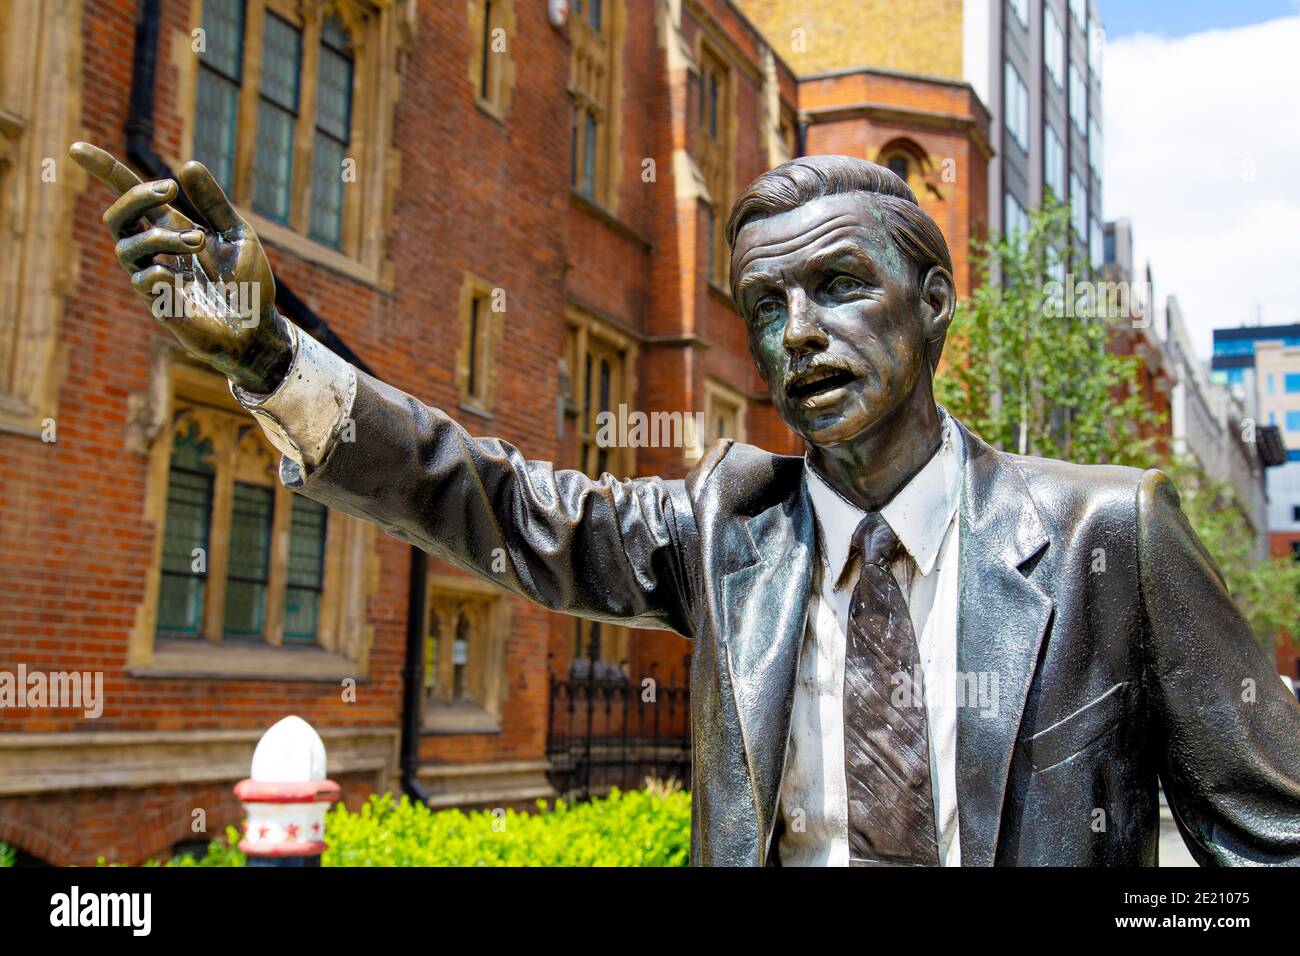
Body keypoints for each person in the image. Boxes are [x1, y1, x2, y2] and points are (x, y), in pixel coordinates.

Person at [70, 143, 1300, 866]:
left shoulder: (1108, 536)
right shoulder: (730, 528)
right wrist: (274, 358)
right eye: (767, 305)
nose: (799, 333)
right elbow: (493, 501)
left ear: (933, 305)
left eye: (838, 286)